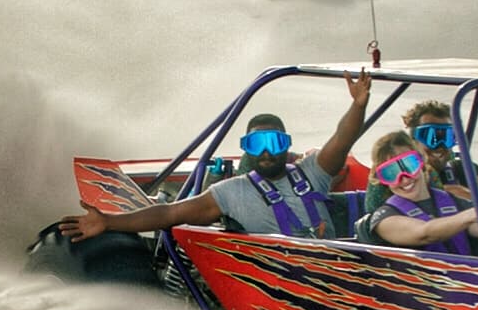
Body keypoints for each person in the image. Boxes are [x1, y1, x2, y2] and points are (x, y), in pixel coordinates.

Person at [59, 69, 371, 242]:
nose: (265, 151)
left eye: (274, 142)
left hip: (332, 268)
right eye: (255, 143)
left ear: (286, 146)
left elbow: (342, 139)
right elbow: (170, 214)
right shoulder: (231, 192)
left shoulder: (311, 173)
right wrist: (110, 222)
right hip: (275, 279)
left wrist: (358, 106)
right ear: (246, 148)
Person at [361, 131, 478, 254]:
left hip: (466, 281)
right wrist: (477, 210)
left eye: (409, 166)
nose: (404, 179)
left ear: (421, 162)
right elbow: (425, 233)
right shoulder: (384, 219)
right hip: (419, 285)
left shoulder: (450, 201)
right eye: (391, 173)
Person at [402, 99, 478, 198]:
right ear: (413, 141)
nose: (440, 145)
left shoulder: (460, 169)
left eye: (448, 137)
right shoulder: (402, 178)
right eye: (431, 137)